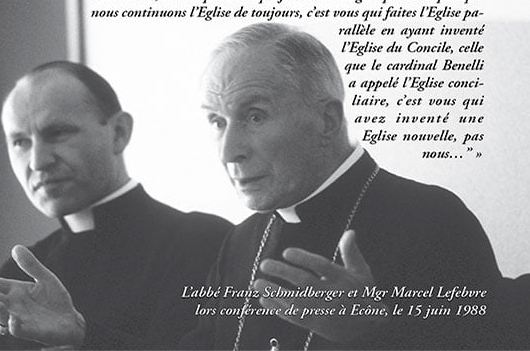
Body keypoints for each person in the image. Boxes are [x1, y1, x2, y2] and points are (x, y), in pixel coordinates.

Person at [179, 23, 504, 350]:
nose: (228, 152)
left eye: (255, 116)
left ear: (327, 120)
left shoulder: (433, 221)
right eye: (217, 122)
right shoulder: (240, 241)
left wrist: (369, 334)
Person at [0, 61, 231, 350]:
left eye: (57, 133)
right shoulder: (13, 277)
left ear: (119, 133)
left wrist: (84, 336)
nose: (38, 162)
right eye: (20, 142)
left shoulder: (205, 244)